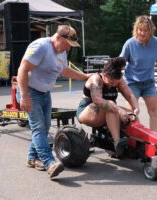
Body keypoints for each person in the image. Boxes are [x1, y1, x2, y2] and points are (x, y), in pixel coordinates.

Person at [17, 25, 89, 178]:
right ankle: (50, 162)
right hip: (30, 91)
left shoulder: (61, 52)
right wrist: (24, 96)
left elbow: (64, 70)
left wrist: (85, 77)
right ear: (59, 37)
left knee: (46, 126)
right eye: (68, 45)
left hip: (44, 93)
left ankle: (32, 158)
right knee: (39, 127)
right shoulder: (41, 46)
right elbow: (22, 69)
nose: (69, 49)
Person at [76, 57, 140, 156]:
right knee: (110, 106)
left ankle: (137, 140)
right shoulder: (95, 79)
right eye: (111, 83)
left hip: (110, 110)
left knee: (130, 115)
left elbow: (129, 95)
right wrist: (117, 108)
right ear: (104, 75)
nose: (112, 85)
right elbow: (97, 100)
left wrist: (136, 108)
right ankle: (117, 142)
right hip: (86, 111)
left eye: (115, 83)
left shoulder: (118, 79)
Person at [119, 15, 157, 133]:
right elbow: (120, 63)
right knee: (132, 113)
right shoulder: (129, 43)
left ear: (150, 31)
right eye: (140, 30)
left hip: (149, 83)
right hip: (132, 83)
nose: (142, 33)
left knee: (153, 112)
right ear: (136, 29)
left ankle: (155, 143)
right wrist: (116, 82)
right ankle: (136, 142)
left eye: (145, 30)